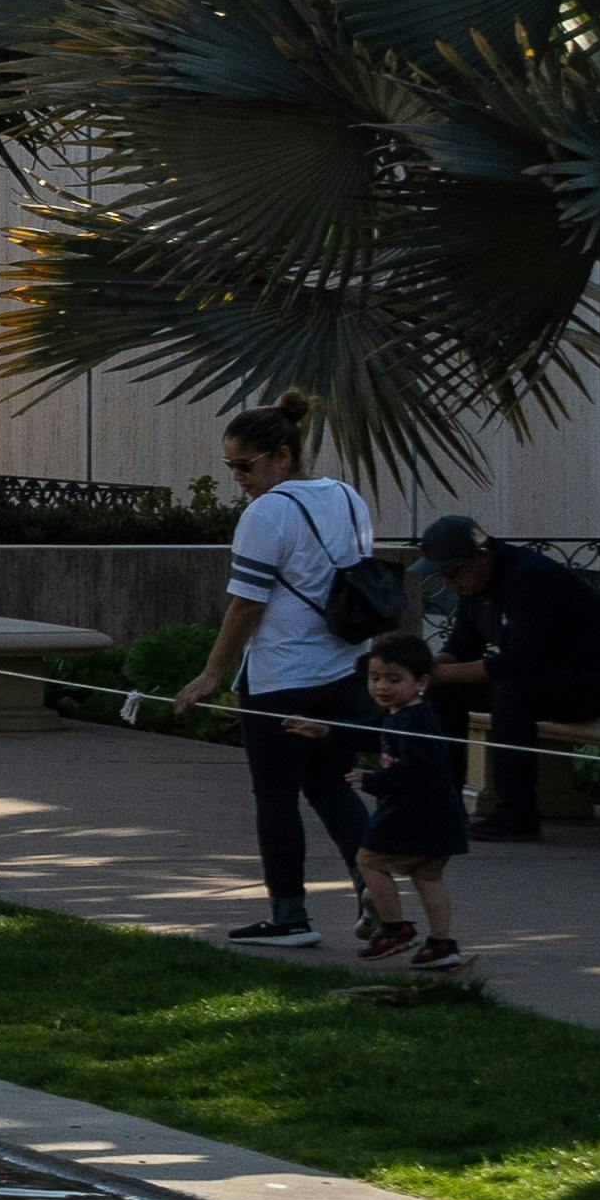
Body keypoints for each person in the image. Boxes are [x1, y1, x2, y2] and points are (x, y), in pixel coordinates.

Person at [209, 394, 385, 952]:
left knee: (276, 795)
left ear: (282, 456)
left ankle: (289, 915)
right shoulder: (346, 495)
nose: (238, 478)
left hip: (282, 675)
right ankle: (375, 894)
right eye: (230, 467)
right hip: (344, 669)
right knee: (330, 784)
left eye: (245, 466)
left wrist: (212, 672)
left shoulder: (266, 513)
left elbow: (246, 605)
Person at [403, 515, 600, 843]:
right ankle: (444, 804)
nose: (449, 581)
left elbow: (518, 663)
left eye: (453, 572)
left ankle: (516, 816)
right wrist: (425, 668)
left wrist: (441, 673)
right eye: (442, 575)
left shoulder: (532, 579)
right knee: (445, 693)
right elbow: (461, 647)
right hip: (545, 679)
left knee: (511, 693)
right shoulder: (476, 586)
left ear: (482, 556)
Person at [332, 636, 479, 980]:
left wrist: (373, 780)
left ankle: (395, 928)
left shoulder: (414, 721)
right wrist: (327, 731)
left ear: (421, 683)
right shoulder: (406, 714)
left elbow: (417, 769)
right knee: (427, 876)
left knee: (369, 860)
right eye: (375, 677)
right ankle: (442, 944)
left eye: (394, 679)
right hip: (438, 816)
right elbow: (375, 737)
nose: (382, 686)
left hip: (411, 813)